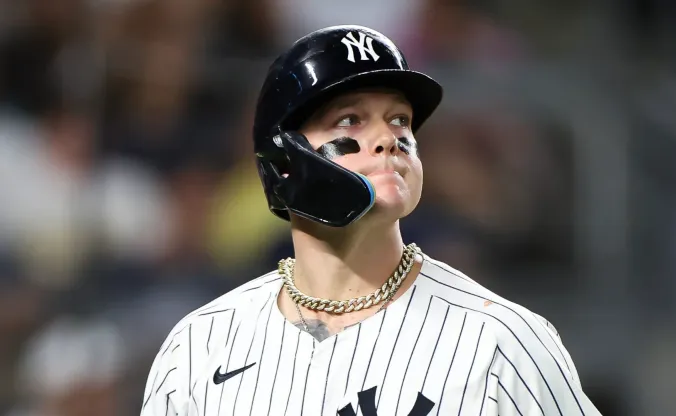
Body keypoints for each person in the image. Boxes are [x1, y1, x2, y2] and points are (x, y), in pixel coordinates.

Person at [139, 24, 602, 416]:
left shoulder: (500, 341)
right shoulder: (201, 345)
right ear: (283, 160)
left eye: (399, 119)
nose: (388, 137)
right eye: (350, 120)